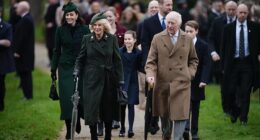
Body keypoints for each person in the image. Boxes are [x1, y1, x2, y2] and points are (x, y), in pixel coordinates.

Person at [145, 11, 198, 140]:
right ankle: (167, 135)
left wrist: (189, 74)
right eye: (168, 22)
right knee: (165, 117)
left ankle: (178, 138)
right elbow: (151, 61)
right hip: (164, 83)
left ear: (179, 24)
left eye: (172, 23)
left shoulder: (187, 39)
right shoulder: (157, 38)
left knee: (181, 115)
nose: (169, 25)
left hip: (182, 83)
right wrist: (151, 75)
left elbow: (193, 60)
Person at [73, 12, 124, 140]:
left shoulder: (112, 39)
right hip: (91, 79)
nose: (97, 28)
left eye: (99, 25)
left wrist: (120, 79)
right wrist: (76, 70)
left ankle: (107, 135)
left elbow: (117, 61)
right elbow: (80, 58)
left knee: (107, 109)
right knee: (92, 108)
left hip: (108, 79)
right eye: (94, 25)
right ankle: (93, 136)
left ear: (104, 26)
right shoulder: (87, 39)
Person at [50, 2, 90, 139]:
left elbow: (90, 49)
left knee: (80, 96)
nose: (69, 17)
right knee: (67, 99)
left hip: (81, 66)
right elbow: (56, 51)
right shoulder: (60, 30)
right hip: (65, 67)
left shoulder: (85, 30)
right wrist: (53, 69)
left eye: (71, 14)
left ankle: (77, 117)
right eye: (67, 15)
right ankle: (69, 129)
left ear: (76, 15)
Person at [221, 3, 260, 125]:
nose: (242, 15)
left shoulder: (255, 27)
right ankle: (234, 112)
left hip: (248, 63)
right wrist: (223, 66)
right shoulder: (228, 28)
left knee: (245, 91)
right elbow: (223, 48)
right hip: (233, 64)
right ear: (236, 13)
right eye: (240, 12)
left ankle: (244, 118)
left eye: (245, 13)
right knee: (231, 91)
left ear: (248, 14)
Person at [140, 0, 173, 137]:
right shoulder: (147, 23)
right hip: (154, 66)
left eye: (171, 5)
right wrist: (148, 65)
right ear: (160, 5)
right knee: (153, 98)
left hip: (171, 68)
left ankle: (167, 129)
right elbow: (145, 43)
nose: (170, 7)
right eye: (168, 5)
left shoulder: (174, 21)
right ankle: (152, 123)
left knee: (168, 98)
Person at [208, 0, 237, 115]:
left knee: (239, 86)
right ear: (225, 9)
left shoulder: (242, 22)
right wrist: (213, 52)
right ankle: (226, 109)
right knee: (225, 86)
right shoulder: (217, 22)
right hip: (222, 59)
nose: (231, 12)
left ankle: (237, 108)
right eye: (229, 9)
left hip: (238, 59)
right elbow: (210, 39)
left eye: (233, 9)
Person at [184, 20, 212, 140]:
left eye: (191, 31)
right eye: (186, 31)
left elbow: (207, 64)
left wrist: (204, 80)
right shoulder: (180, 44)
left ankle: (194, 132)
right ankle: (185, 128)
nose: (188, 34)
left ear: (196, 31)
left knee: (195, 108)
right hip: (183, 80)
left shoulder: (203, 45)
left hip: (197, 81)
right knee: (185, 106)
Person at [119, 30, 143, 138]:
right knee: (122, 106)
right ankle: (122, 128)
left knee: (131, 105)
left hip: (133, 82)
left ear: (134, 40)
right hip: (122, 82)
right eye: (125, 39)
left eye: (129, 39)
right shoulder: (120, 51)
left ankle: (130, 128)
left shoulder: (138, 53)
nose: (127, 41)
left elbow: (141, 67)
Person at [13, 1, 34, 100]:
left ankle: (28, 95)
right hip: (25, 53)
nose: (16, 9)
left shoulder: (26, 20)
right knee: (24, 74)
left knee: (26, 75)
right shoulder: (25, 18)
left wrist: (17, 51)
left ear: (22, 9)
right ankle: (26, 95)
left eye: (17, 8)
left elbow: (23, 38)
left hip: (24, 54)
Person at [0, 8, 15, 112]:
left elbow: (8, 42)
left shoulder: (7, 26)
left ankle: (1, 105)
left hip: (2, 60)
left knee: (0, 83)